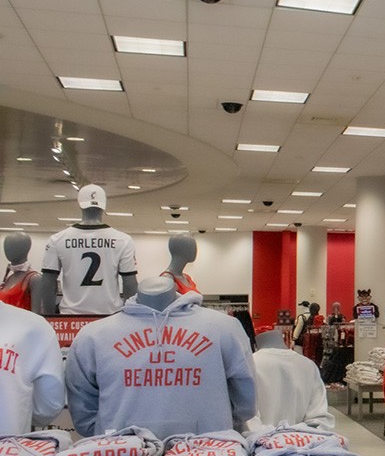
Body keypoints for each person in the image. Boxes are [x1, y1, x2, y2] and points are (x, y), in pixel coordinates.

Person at [65, 275, 256, 438]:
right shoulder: (93, 336)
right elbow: (245, 403)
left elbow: (246, 401)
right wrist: (213, 424)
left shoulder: (225, 329)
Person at [39, 184, 138, 315]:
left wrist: (49, 317)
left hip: (70, 317)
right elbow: (130, 284)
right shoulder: (123, 240)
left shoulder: (57, 240)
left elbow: (48, 282)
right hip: (109, 316)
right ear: (104, 206)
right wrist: (131, 316)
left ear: (80, 203)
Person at [246, 324, 335, 432]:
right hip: (303, 444)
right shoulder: (308, 366)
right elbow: (320, 420)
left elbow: (248, 422)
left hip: (260, 444)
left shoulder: (249, 365)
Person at [0, 300, 65, 435]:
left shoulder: (33, 326)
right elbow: (47, 407)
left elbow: (48, 406)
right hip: (9, 448)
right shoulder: (32, 325)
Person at [0, 232, 42, 310]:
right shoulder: (9, 278)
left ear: (26, 248)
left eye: (13, 246)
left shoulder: (34, 279)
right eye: (6, 247)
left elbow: (37, 315)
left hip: (21, 321)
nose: (8, 250)